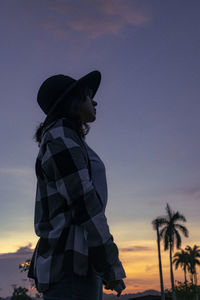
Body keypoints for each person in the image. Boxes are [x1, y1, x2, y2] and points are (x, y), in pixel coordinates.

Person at [27, 70, 126, 300]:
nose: (95, 100)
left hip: (79, 263)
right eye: (88, 95)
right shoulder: (60, 135)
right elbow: (85, 204)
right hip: (69, 268)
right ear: (72, 101)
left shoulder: (68, 138)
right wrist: (110, 263)